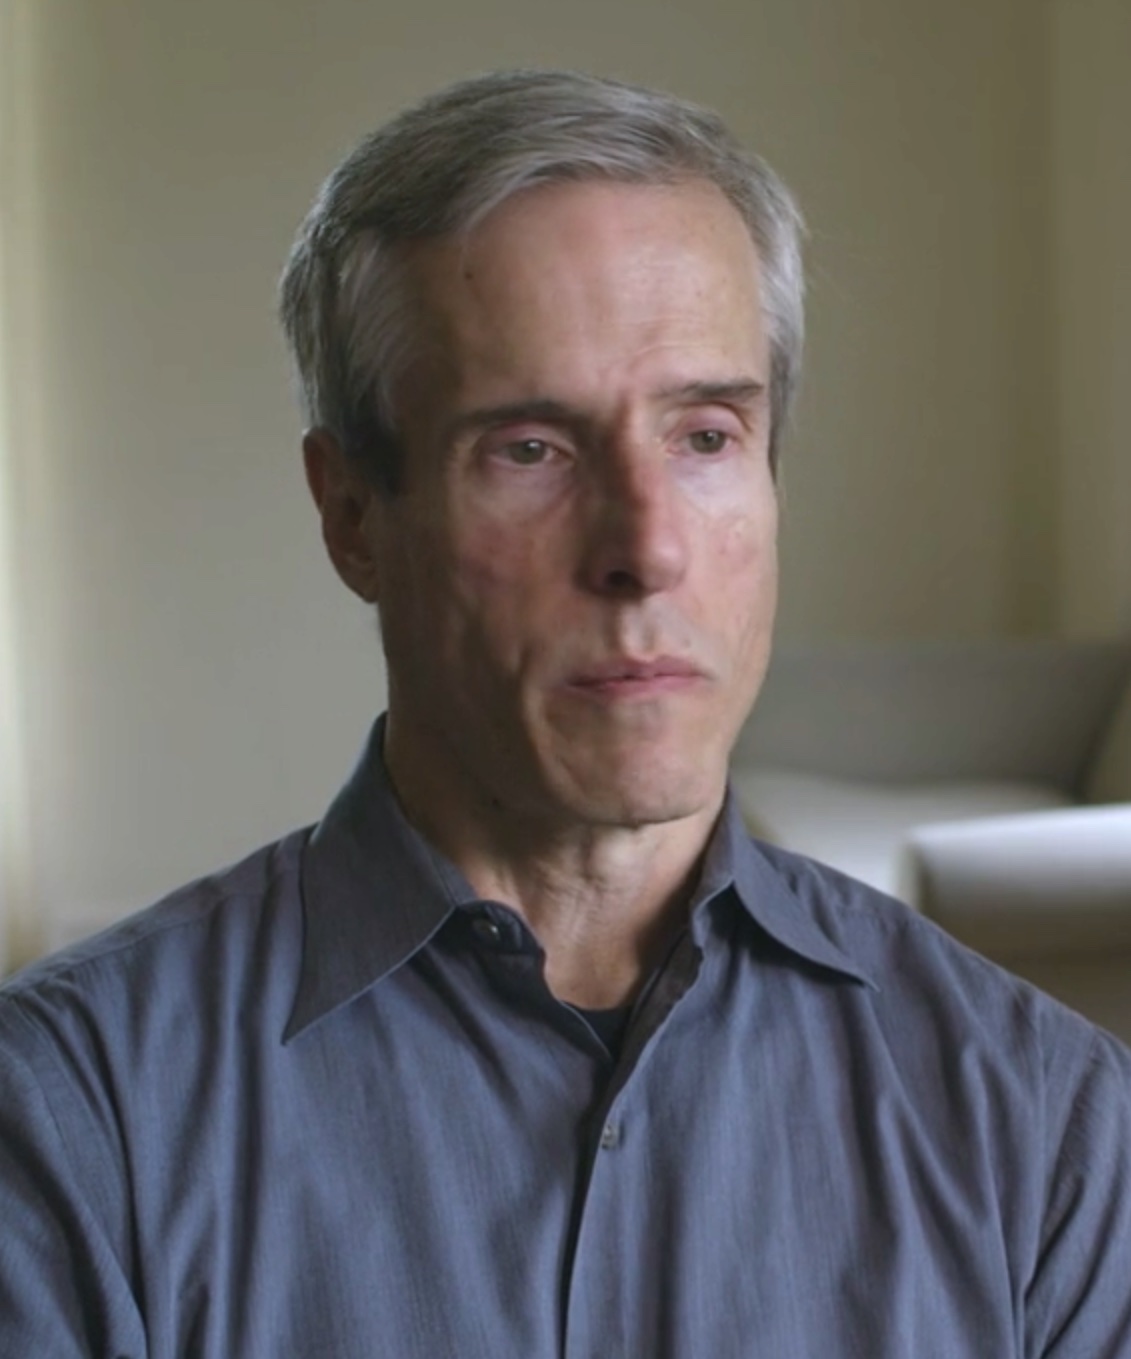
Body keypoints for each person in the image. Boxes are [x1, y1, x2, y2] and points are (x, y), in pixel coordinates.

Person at [1, 69, 1129, 1358]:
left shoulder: (1053, 1128)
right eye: (529, 450)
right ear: (352, 514)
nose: (645, 548)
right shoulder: (72, 1118)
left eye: (705, 437)